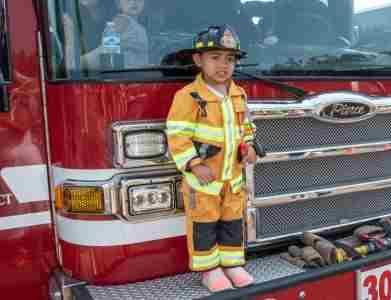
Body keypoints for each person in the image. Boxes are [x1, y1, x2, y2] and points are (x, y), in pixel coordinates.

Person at [166, 25, 257, 293]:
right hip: (204, 179)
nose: (223, 65)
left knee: (232, 221)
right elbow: (177, 135)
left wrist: (249, 146)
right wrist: (194, 163)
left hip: (232, 178)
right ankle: (208, 270)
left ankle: (231, 264)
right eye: (215, 57)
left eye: (230, 59)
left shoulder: (239, 94)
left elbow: (247, 126)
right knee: (204, 225)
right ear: (198, 60)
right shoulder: (188, 97)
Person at [63, 0, 148, 71]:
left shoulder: (140, 26)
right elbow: (105, 51)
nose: (134, 2)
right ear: (118, 4)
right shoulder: (120, 22)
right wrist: (78, 64)